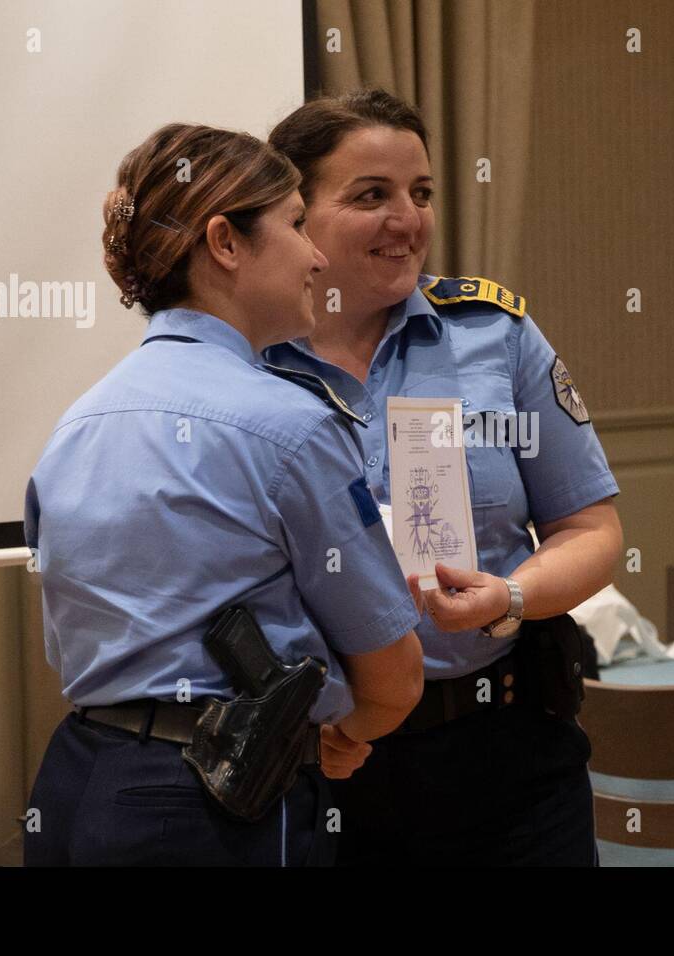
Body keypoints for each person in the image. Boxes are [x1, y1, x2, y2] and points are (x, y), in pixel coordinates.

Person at [23, 123, 424, 866]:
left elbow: (77, 644)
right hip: (215, 805)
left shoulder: (76, 426)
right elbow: (393, 676)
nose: (316, 254)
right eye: (298, 225)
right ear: (226, 243)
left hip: (77, 783)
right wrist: (342, 731)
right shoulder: (290, 428)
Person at [267, 89, 624, 865]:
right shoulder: (246, 368)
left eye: (420, 193)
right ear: (297, 213)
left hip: (505, 754)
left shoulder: (493, 335)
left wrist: (514, 597)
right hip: (318, 766)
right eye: (372, 196)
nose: (409, 220)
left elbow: (591, 531)